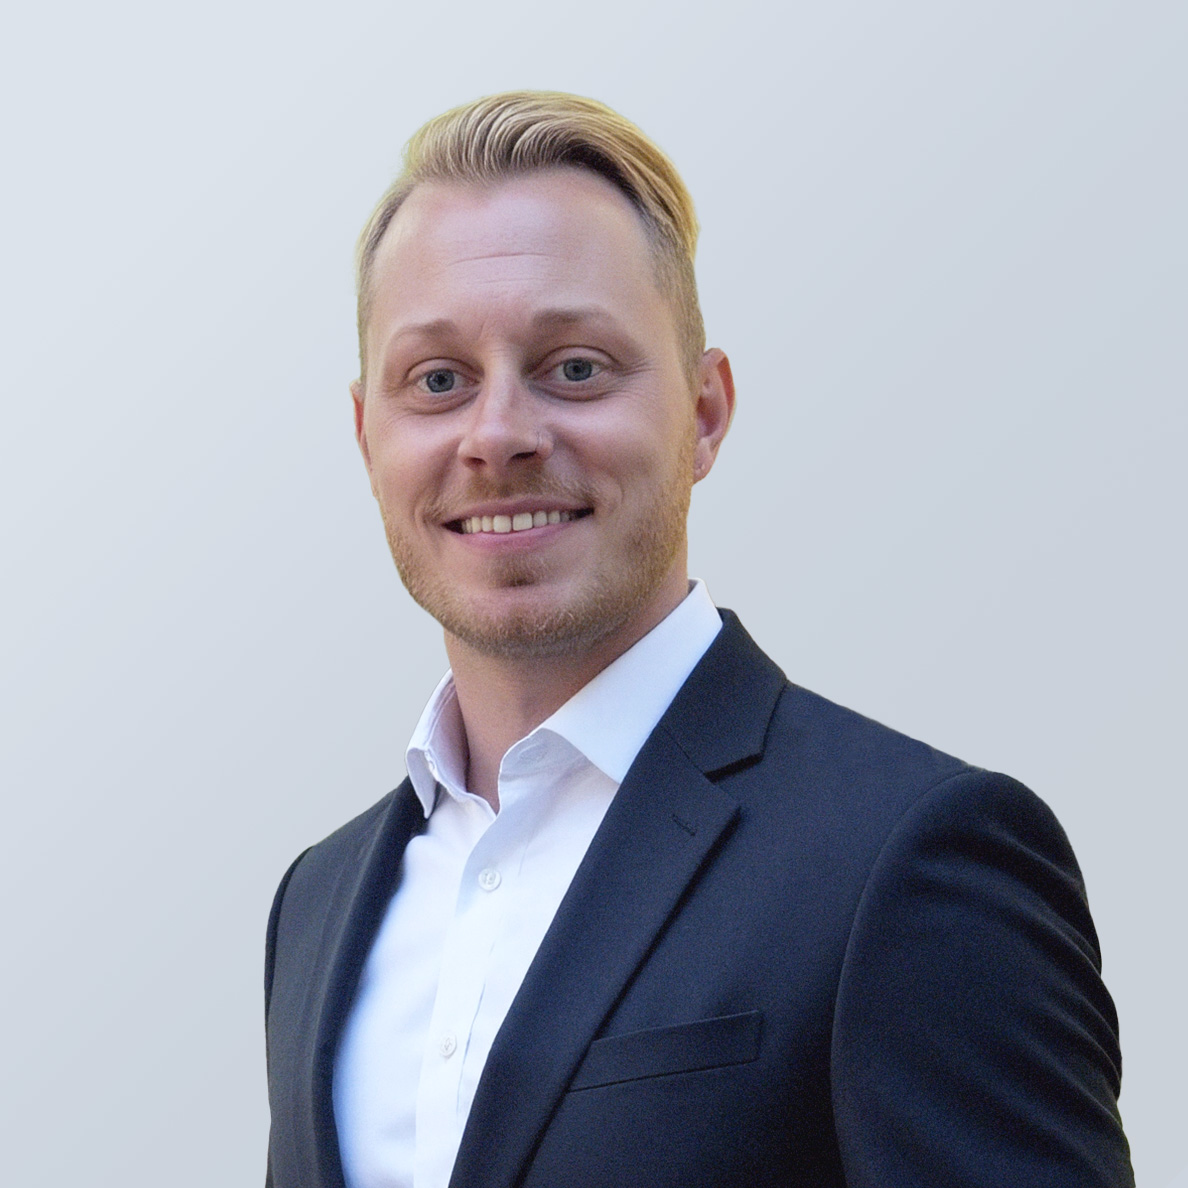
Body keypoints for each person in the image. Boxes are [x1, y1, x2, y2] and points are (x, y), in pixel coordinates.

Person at [263, 91, 1134, 1188]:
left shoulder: (910, 859)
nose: (499, 435)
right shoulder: (317, 902)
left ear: (705, 413)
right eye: (438, 381)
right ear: (366, 437)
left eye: (575, 367)